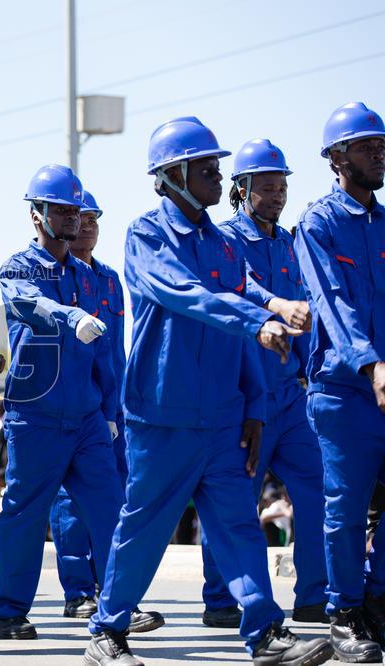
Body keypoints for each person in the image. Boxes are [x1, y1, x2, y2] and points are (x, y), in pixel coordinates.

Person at [84, 117, 329, 666]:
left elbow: (245, 302)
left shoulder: (222, 243)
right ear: (173, 174)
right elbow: (186, 294)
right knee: (144, 527)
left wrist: (256, 402)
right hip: (162, 414)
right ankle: (107, 629)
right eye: (208, 168)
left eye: (219, 168)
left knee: (239, 524)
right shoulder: (147, 235)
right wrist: (257, 319)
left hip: (221, 417)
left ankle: (264, 631)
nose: (219, 177)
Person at [0, 165, 161, 641]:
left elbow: (105, 351)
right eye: (59, 210)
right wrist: (71, 315)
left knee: (109, 508)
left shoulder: (89, 278)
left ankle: (117, 606)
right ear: (36, 215)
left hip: (87, 417)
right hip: (36, 415)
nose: (69, 218)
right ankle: (7, 611)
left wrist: (109, 412)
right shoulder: (18, 267)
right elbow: (28, 302)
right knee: (24, 513)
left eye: (74, 210)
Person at [198, 138, 328, 628]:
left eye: (283, 186)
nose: (277, 195)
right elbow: (239, 288)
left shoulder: (291, 242)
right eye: (268, 187)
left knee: (317, 488)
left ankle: (314, 595)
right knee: (235, 498)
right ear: (242, 189)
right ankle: (221, 600)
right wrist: (276, 304)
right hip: (242, 396)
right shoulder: (225, 240)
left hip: (292, 395)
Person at [295, 102, 385, 663]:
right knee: (347, 508)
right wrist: (373, 365)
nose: (379, 152)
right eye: (366, 145)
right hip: (345, 391)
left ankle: (377, 602)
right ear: (336, 157)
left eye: (382, 144)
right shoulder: (318, 225)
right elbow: (334, 306)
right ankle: (345, 613)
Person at [45, 190, 130, 621]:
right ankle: (78, 592)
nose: (88, 224)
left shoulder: (109, 278)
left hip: (112, 403)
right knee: (70, 504)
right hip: (72, 402)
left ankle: (114, 591)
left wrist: (120, 406)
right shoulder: (56, 274)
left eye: (95, 217)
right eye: (81, 216)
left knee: (113, 498)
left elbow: (117, 346)